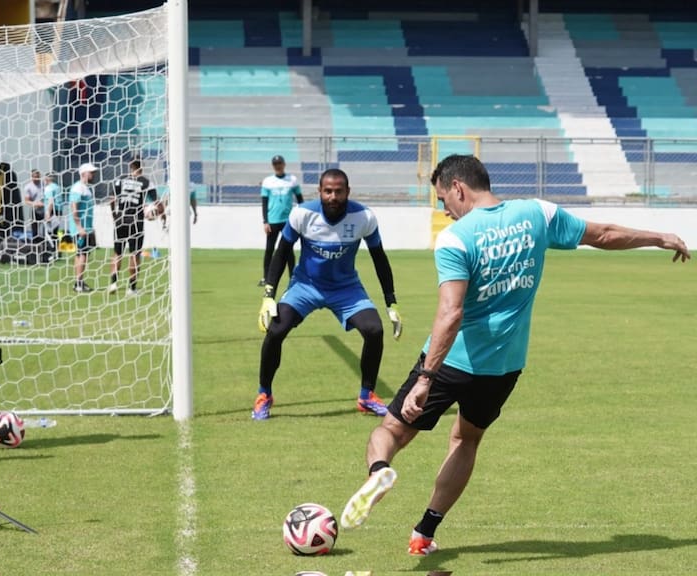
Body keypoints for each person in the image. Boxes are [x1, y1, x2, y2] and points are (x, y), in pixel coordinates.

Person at [339, 154, 691, 555]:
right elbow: (605, 234)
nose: (445, 210)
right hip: (503, 367)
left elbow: (451, 313)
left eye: (442, 200)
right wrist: (659, 237)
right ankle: (424, 532)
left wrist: (425, 379)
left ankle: (380, 472)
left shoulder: (456, 239)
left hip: (452, 361)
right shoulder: (537, 214)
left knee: (391, 432)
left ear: (459, 188)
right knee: (466, 441)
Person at [254, 168, 403, 420]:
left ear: (348, 192)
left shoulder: (364, 217)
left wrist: (391, 302)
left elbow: (380, 259)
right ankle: (264, 394)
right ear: (319, 192)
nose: (333, 196)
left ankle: (367, 396)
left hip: (346, 288)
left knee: (374, 330)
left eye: (338, 191)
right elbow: (281, 253)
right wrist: (269, 294)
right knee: (276, 330)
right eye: (328, 191)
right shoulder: (303, 214)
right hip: (305, 286)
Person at [258, 155, 303, 287]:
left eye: (280, 163)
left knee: (288, 249)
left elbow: (300, 199)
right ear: (273, 166)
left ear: (284, 164)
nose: (278, 166)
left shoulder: (292, 180)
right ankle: (266, 277)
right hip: (272, 220)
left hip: (288, 220)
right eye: (275, 164)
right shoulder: (268, 181)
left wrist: (303, 215)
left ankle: (293, 277)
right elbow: (264, 203)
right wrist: (265, 221)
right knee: (269, 249)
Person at [108, 159, 151, 296]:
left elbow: (112, 199)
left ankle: (113, 284)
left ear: (130, 167)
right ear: (141, 168)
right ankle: (131, 288)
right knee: (134, 254)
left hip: (120, 220)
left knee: (117, 252)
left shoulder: (120, 180)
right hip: (136, 221)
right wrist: (153, 212)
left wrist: (115, 215)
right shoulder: (145, 181)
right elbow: (155, 202)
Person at [69, 162, 99, 293]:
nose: (93, 174)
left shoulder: (86, 188)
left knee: (81, 254)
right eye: (91, 172)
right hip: (80, 228)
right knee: (83, 254)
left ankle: (78, 282)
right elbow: (74, 209)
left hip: (86, 227)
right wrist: (79, 228)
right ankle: (79, 284)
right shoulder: (78, 188)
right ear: (83, 173)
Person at [22, 168, 44, 239]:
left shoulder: (43, 184)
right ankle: (35, 244)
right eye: (35, 177)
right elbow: (27, 200)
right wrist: (36, 203)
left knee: (47, 229)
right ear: (32, 177)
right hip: (35, 210)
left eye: (38, 177)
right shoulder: (28, 187)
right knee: (35, 230)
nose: (36, 179)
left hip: (46, 210)